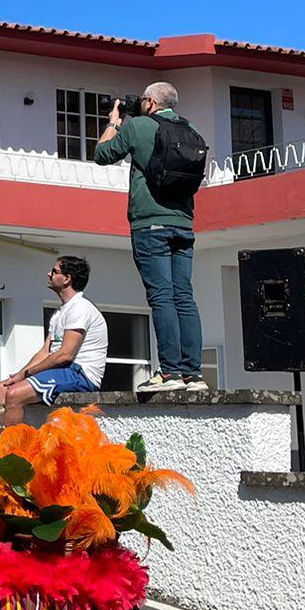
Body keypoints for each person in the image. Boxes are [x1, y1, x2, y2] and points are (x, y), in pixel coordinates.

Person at [94, 81, 208, 393]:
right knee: (184, 296)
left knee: (161, 296)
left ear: (149, 102)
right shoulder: (191, 128)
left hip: (150, 225)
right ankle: (192, 374)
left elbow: (102, 154)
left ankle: (169, 373)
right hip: (184, 225)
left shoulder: (139, 126)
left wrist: (114, 123)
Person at [0, 254, 108, 427]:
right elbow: (44, 353)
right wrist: (19, 375)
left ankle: (11, 450)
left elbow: (65, 355)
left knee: (14, 394)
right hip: (63, 370)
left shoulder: (80, 308)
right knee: (0, 389)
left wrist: (28, 374)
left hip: (81, 374)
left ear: (67, 279)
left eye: (54, 271)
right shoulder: (60, 312)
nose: (49, 274)